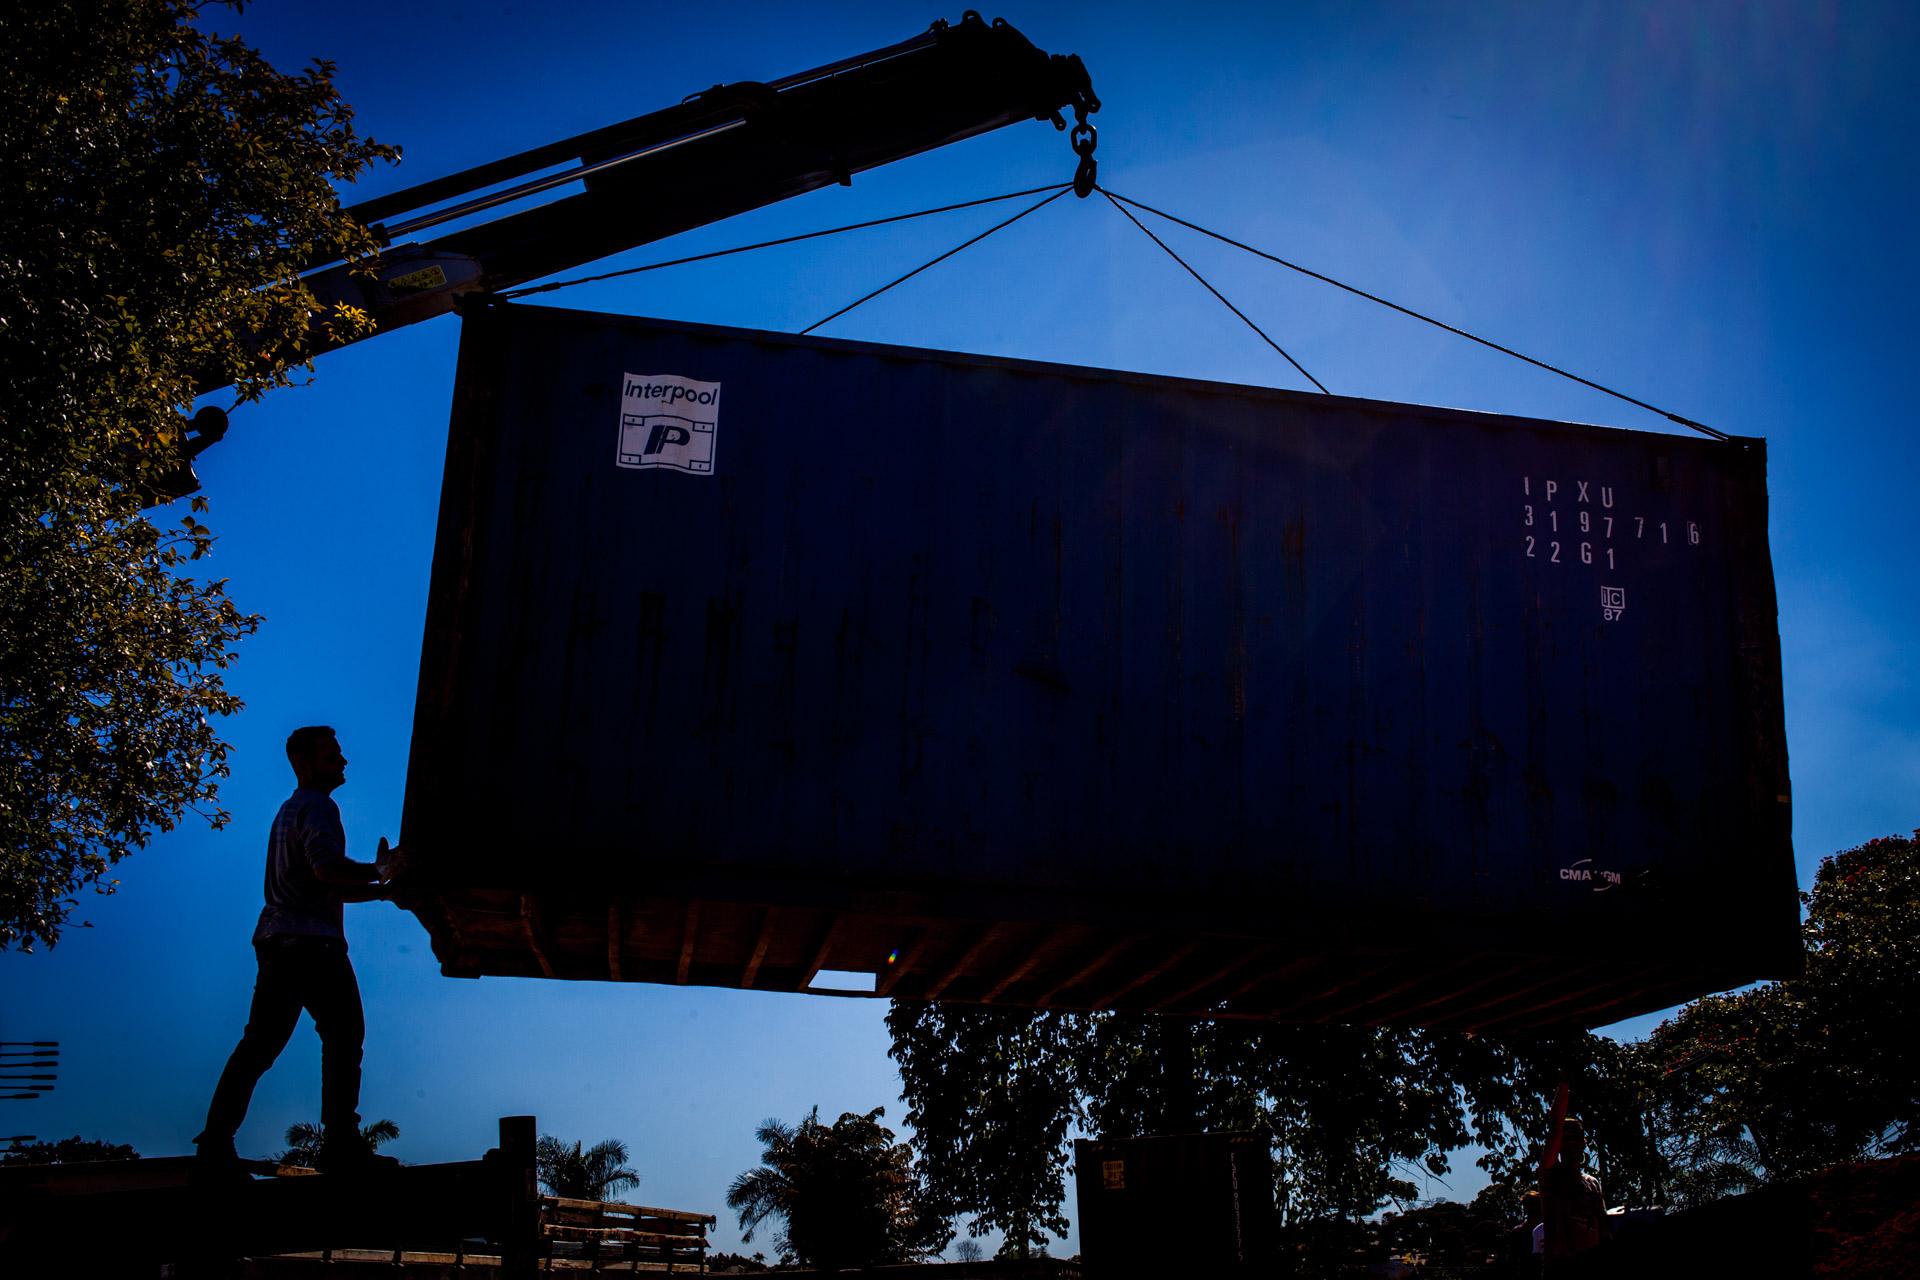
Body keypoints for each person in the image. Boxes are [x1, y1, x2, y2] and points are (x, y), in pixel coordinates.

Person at [195, 726, 402, 1174]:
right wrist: (380, 871)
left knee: (260, 1045)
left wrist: (383, 890)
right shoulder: (319, 807)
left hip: (278, 942)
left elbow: (322, 884)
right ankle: (341, 1144)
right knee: (345, 1037)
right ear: (305, 763)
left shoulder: (289, 811)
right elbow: (329, 870)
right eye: (333, 756)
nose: (343, 762)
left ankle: (215, 1141)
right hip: (313, 946)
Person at [1538, 1117, 1606, 1274]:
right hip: (1561, 1266)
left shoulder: (1592, 1183)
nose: (1571, 1144)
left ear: (1584, 1142)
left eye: (1576, 1138)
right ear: (1558, 1144)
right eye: (1566, 1138)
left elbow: (1603, 1229)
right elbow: (1552, 1136)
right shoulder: (1551, 1176)